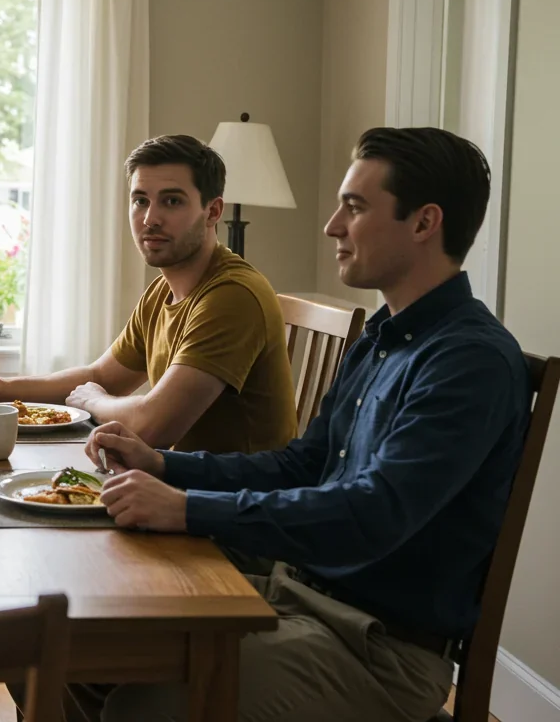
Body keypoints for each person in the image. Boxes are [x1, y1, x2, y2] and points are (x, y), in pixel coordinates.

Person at [81, 127, 529, 722]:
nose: (333, 226)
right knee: (82, 653)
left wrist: (184, 507)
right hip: (299, 594)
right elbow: (302, 463)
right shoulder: (382, 337)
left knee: (141, 710)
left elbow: (372, 515)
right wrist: (165, 465)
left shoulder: (468, 362)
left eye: (356, 206)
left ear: (424, 223)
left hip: (377, 648)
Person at [0, 135, 296, 453]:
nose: (150, 218)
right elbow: (102, 377)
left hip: (234, 503)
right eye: (140, 200)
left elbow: (152, 426)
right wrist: (2, 388)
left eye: (172, 201)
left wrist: (94, 402)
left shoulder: (231, 296)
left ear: (213, 211)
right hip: (175, 485)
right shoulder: (163, 290)